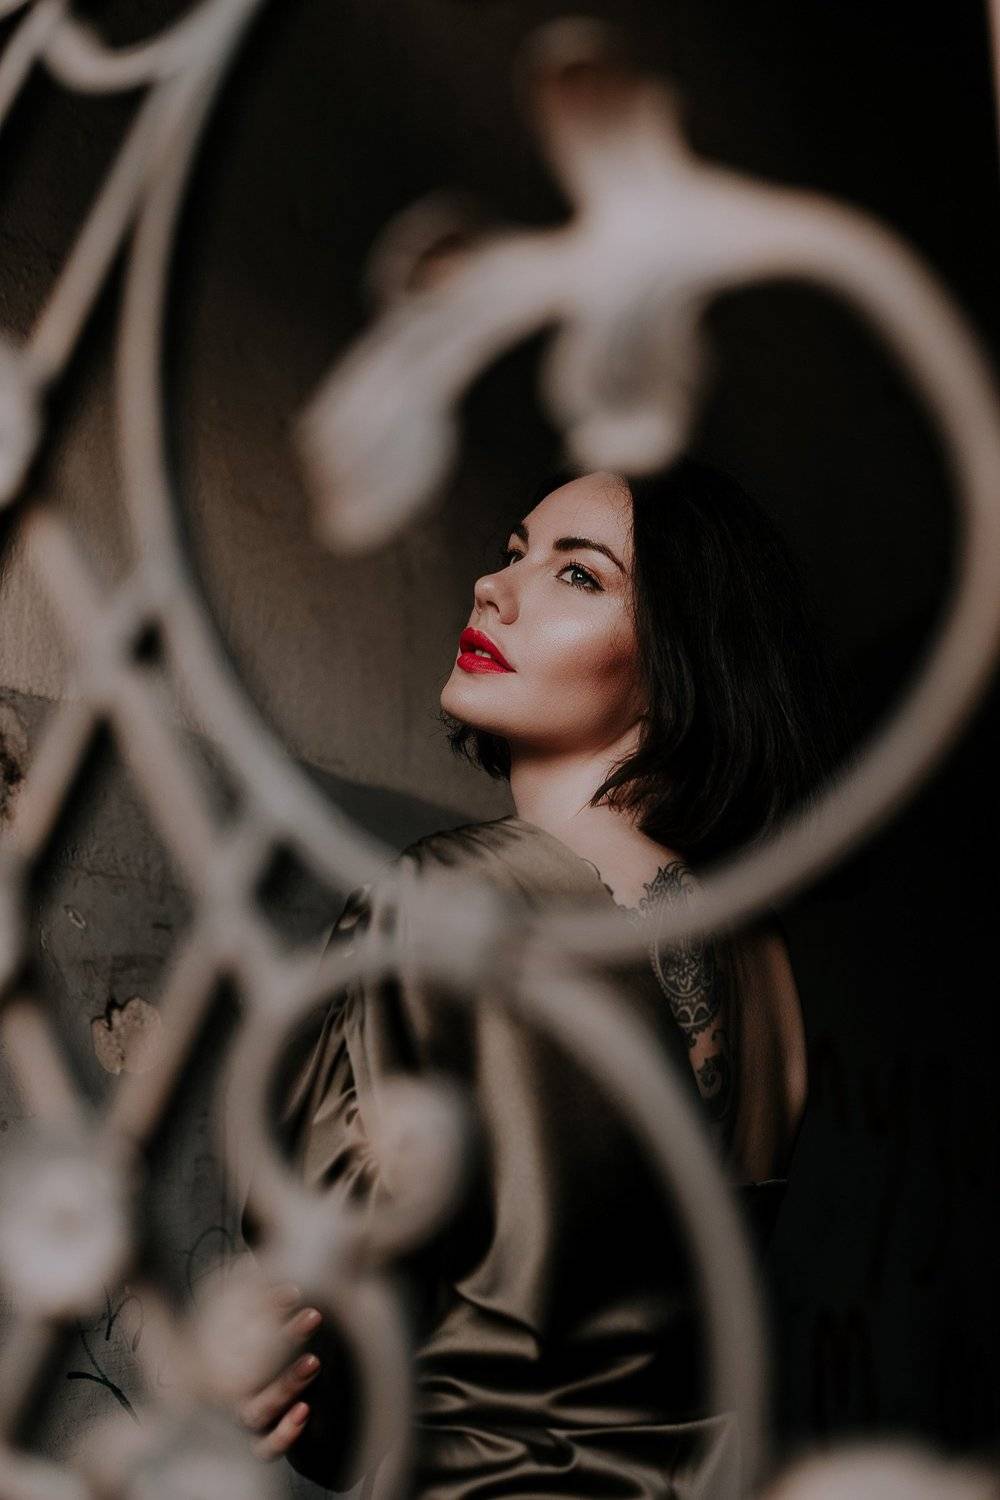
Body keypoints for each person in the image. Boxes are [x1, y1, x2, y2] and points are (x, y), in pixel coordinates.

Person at [237, 460, 845, 1495]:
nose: (493, 587)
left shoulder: (448, 901)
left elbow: (323, 1406)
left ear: (678, 658)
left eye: (580, 574)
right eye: (514, 552)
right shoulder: (768, 968)